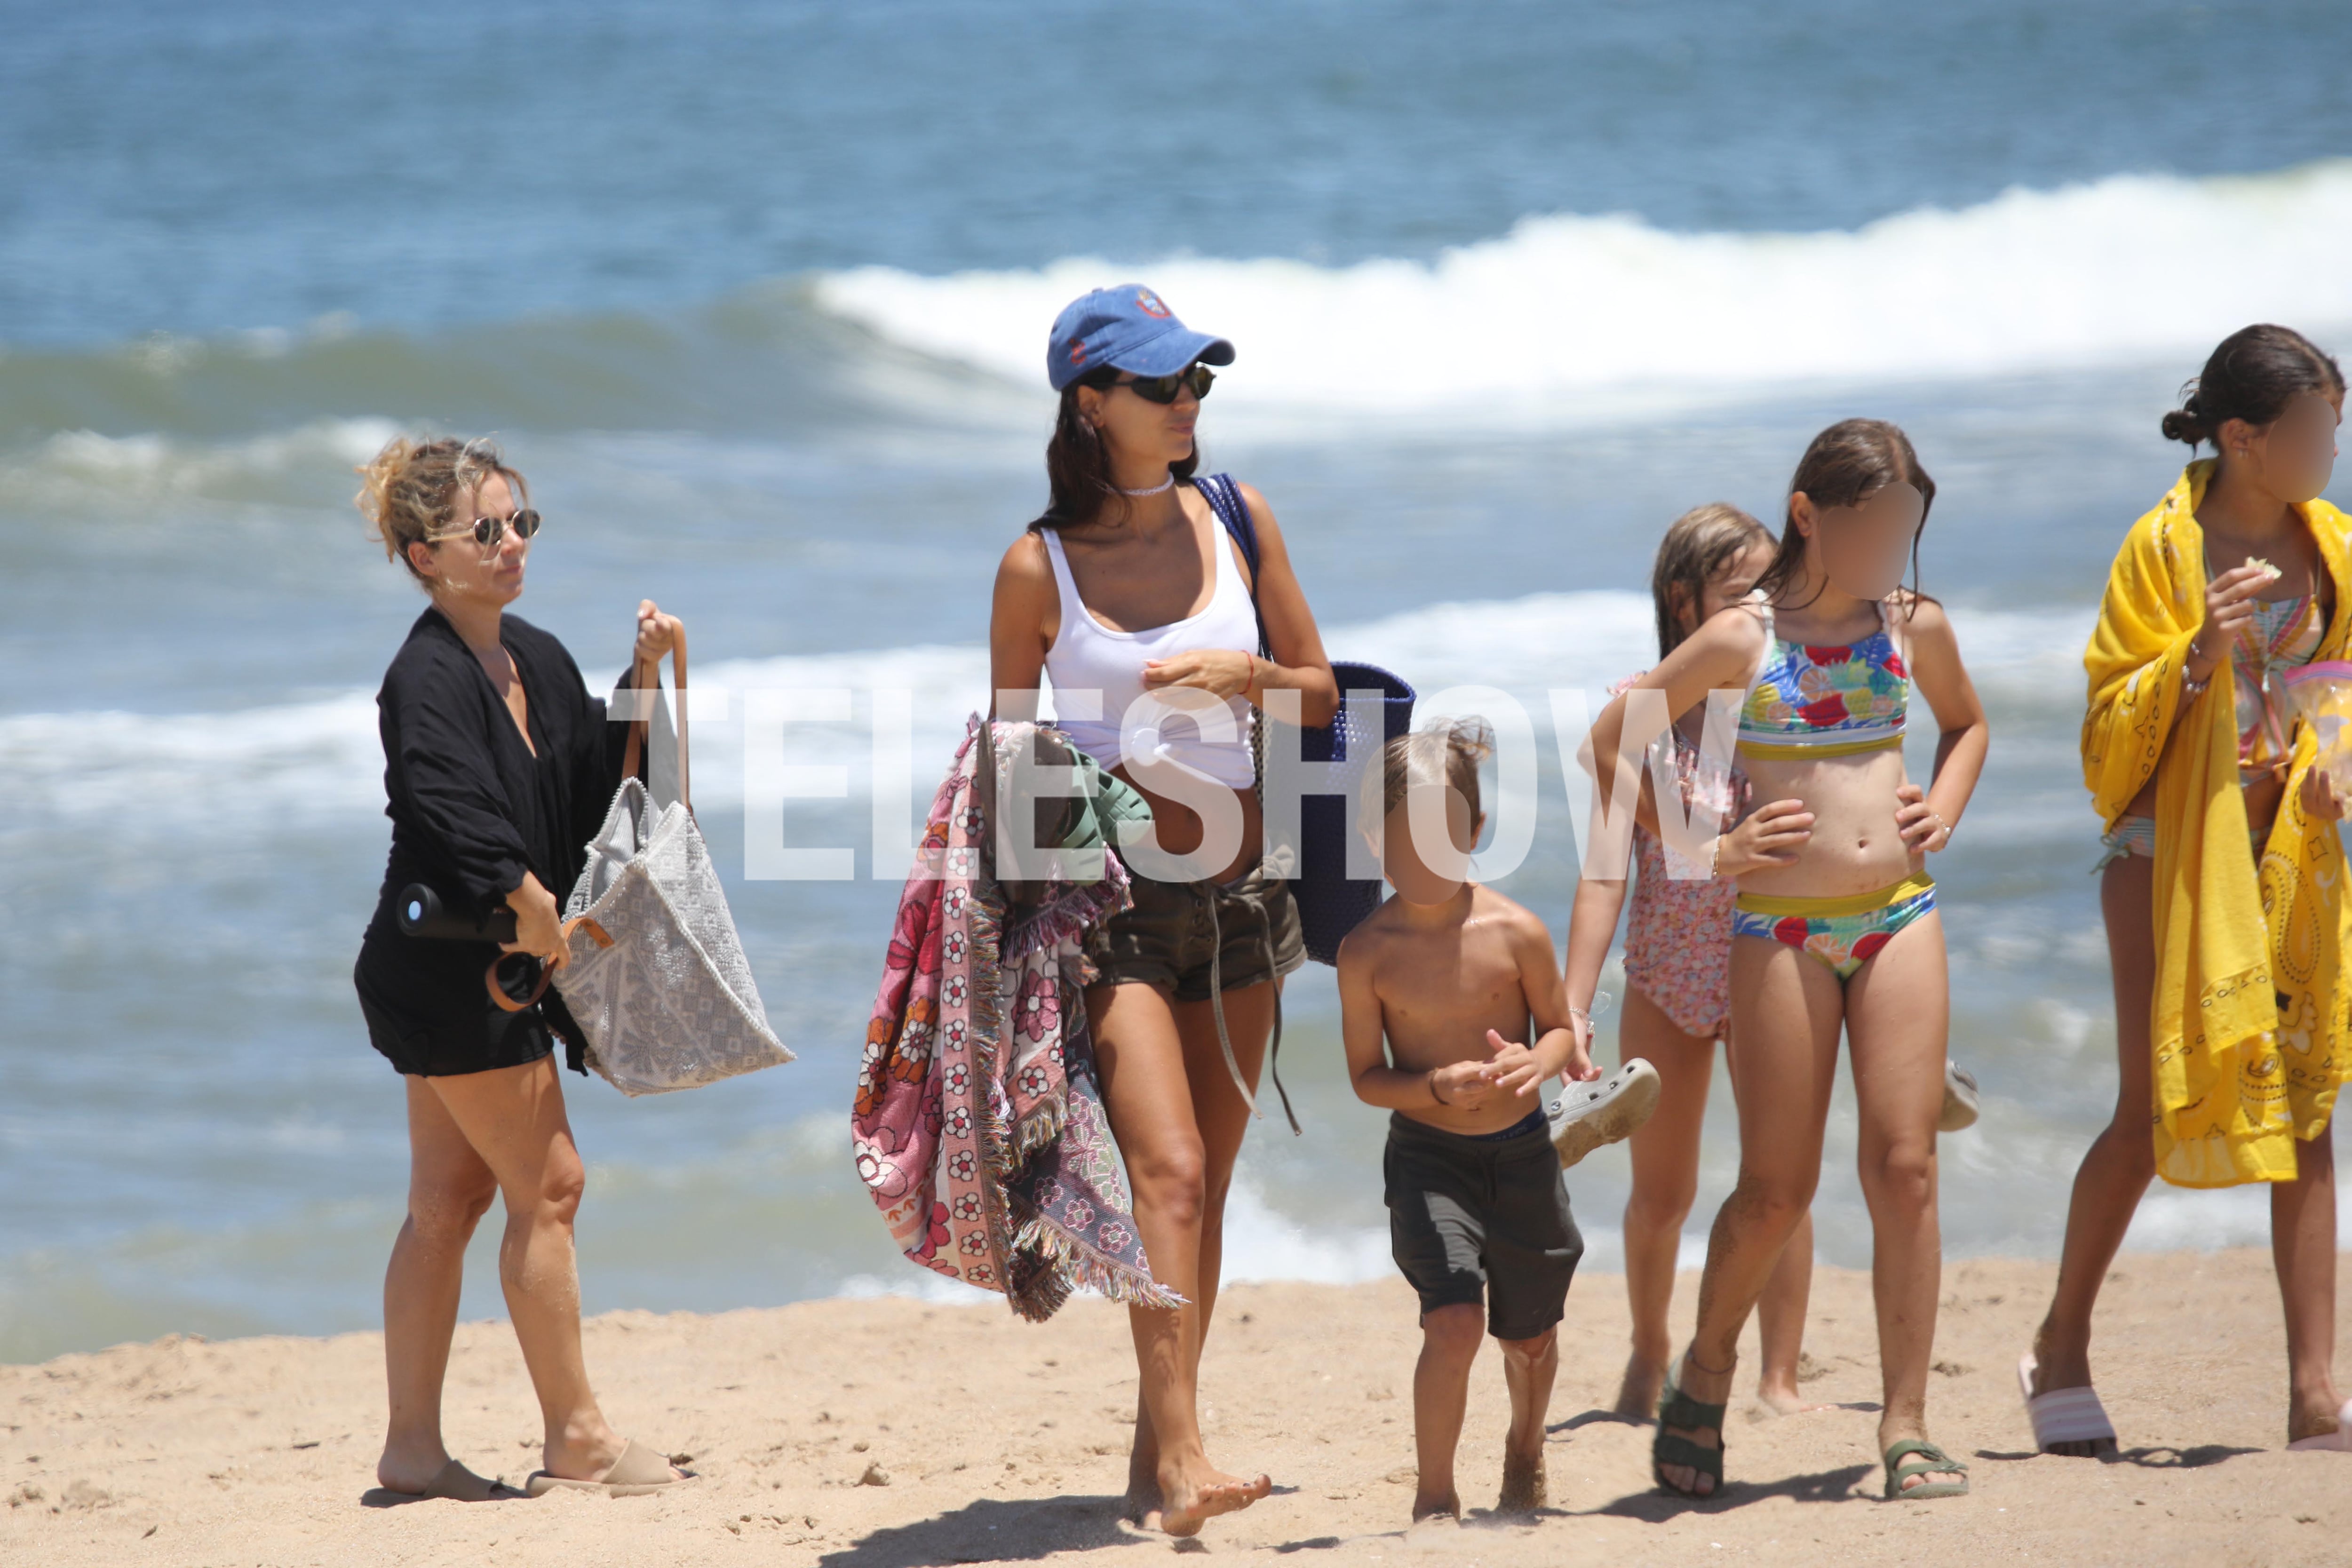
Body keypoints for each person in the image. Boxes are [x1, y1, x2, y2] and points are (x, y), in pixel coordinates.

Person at [988, 286, 1339, 1534]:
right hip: (1116, 915)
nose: (1187, 400)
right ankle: (1186, 1460)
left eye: (1197, 379)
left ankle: (1155, 1463)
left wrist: (1251, 674)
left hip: (1245, 900)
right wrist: (1016, 949)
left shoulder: (1238, 515)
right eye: (1159, 383)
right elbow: (1011, 763)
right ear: (1091, 401)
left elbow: (1320, 693)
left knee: (1206, 1186)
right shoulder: (1036, 566)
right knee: (1169, 1171)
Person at [1587, 419, 1989, 1500]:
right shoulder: (1739, 638)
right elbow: (1609, 741)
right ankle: (1707, 1369)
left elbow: (1966, 726)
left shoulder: (1913, 624)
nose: (1891, 547)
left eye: (1906, 525)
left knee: (1904, 1166)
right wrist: (1703, 847)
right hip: (1778, 930)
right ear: (1809, 515)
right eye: (1874, 525)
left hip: (1899, 914)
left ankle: (1905, 1421)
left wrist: (1943, 808)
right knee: (1776, 1187)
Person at [2031, 325, 2352, 1456]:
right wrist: (2199, 653)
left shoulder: (2333, 546)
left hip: (2290, 857)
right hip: (2164, 853)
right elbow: (2105, 731)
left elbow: (2337, 685)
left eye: (2335, 429)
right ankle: (2061, 1342)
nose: (2329, 451)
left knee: (2307, 1110)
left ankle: (2314, 1392)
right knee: (2148, 1112)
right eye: (2312, 431)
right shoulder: (2162, 549)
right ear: (2242, 437)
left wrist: (2333, 763)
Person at [351, 435, 691, 1502]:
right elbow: (450, 815)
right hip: (450, 969)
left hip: (478, 966)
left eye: (520, 524)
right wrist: (535, 909)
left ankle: (413, 1450)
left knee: (447, 1200)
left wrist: (645, 676)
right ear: (425, 557)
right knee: (551, 1184)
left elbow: (594, 781)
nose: (511, 545)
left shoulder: (532, 656)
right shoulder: (424, 678)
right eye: (485, 531)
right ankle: (577, 1438)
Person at [1561, 503, 1827, 1420]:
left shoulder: (1785, 704)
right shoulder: (1637, 712)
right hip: (1666, 972)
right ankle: (1649, 1346)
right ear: (1684, 602)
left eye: (1773, 589)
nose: (1764, 609)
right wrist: (1574, 1004)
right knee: (1661, 1193)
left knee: (1779, 1181)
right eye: (1743, 590)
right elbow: (1604, 874)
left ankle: (1779, 1374)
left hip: (1773, 965)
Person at [1337, 720, 1597, 1522]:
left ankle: (1525, 1446)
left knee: (1529, 1339)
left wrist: (1537, 1062)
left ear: (1475, 829)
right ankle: (1435, 1498)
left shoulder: (1516, 931)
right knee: (1452, 1322)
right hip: (1428, 1155)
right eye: (1403, 839)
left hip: (1522, 1155)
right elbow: (1366, 1078)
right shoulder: (1365, 951)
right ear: (1373, 842)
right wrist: (1431, 1085)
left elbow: (1560, 1030)